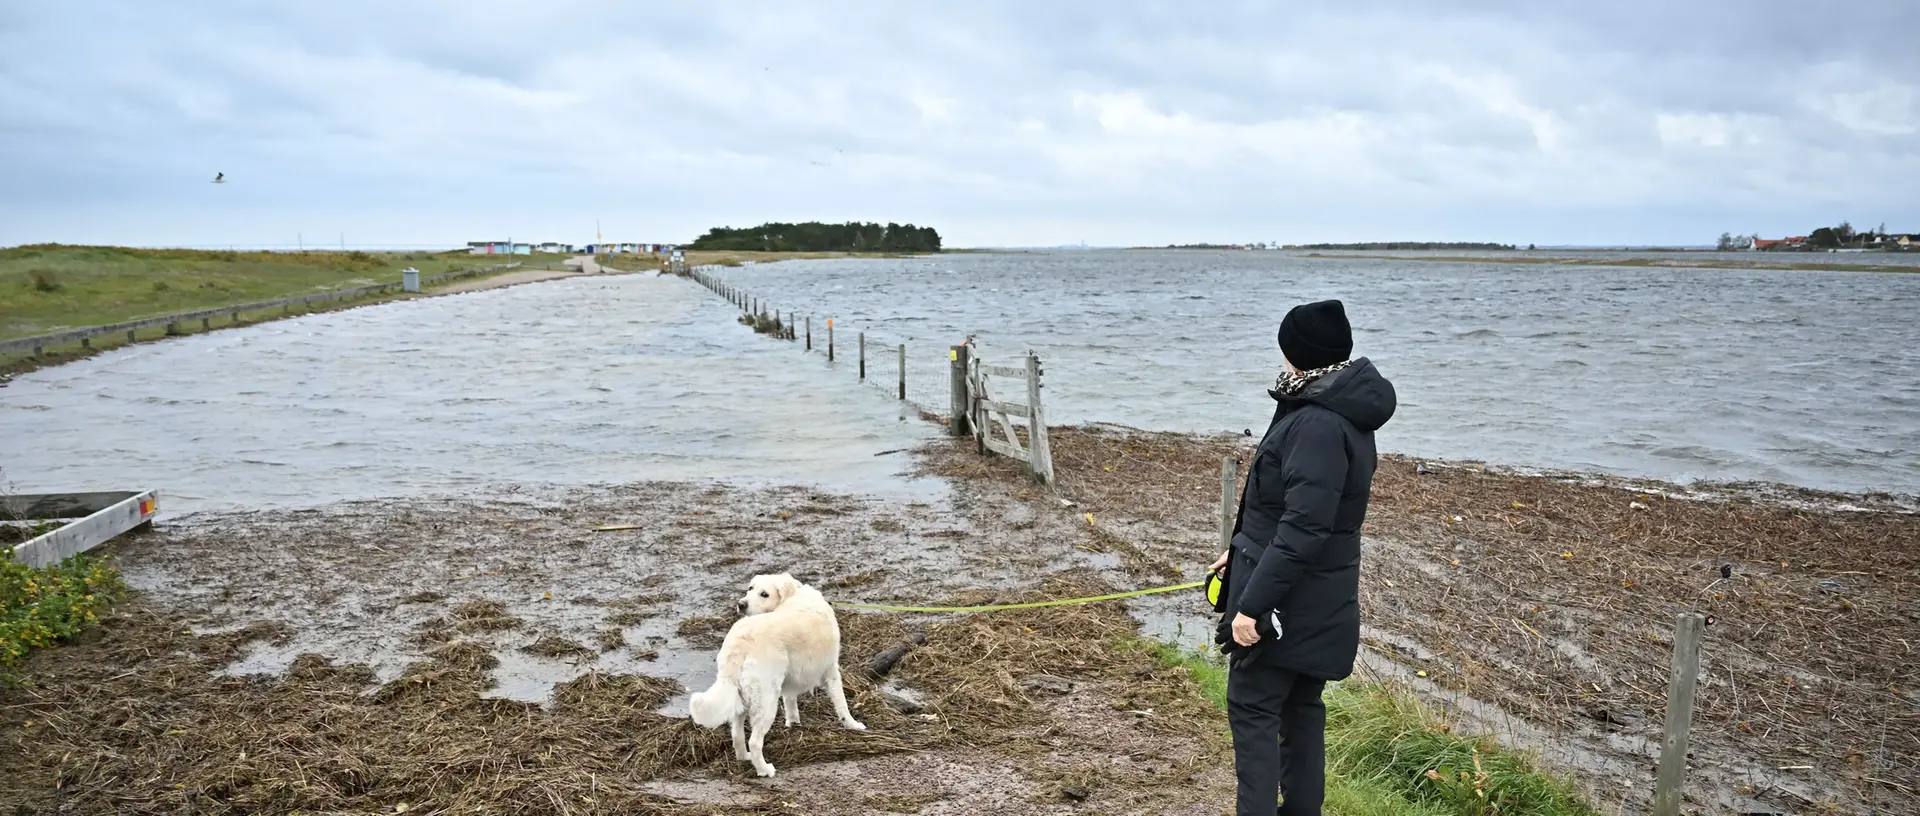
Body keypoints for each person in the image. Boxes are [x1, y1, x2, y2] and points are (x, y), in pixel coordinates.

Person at [1209, 299, 1396, 815]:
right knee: (1300, 712)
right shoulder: (1331, 408)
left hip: (1290, 605)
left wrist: (1251, 606)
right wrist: (1239, 551)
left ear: (1297, 352)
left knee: (1254, 710)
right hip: (1317, 598)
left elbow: (1305, 528)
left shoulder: (1317, 422)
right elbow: (1289, 512)